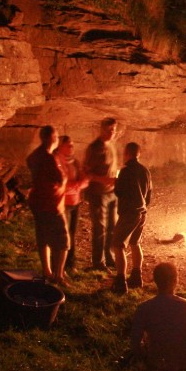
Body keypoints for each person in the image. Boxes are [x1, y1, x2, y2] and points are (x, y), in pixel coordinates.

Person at [130, 262, 186, 371]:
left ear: (155, 280)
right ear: (176, 280)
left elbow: (135, 343)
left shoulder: (143, 308)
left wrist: (145, 357)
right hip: (182, 364)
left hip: (155, 364)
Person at [26, 126, 71, 287]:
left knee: (43, 237)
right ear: (52, 138)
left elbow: (29, 162)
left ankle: (47, 271)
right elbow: (61, 178)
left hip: (37, 203)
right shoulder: (49, 158)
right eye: (56, 137)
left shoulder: (35, 155)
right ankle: (58, 276)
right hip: (52, 205)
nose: (57, 140)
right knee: (63, 241)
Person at [110, 142, 152, 294]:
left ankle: (120, 282)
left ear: (127, 153)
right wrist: (144, 207)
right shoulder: (145, 171)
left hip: (130, 213)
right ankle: (136, 277)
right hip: (142, 213)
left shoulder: (125, 171)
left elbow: (119, 192)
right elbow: (149, 194)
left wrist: (116, 181)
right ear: (138, 154)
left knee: (118, 244)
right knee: (135, 242)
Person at [83, 117, 119, 272]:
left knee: (112, 227)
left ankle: (109, 256)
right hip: (98, 194)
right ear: (101, 129)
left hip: (112, 193)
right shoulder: (94, 148)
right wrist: (103, 179)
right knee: (100, 228)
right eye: (109, 130)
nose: (112, 133)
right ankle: (98, 262)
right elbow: (86, 172)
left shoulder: (111, 145)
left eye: (114, 130)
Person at [55, 135, 89, 273]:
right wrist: (78, 185)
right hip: (63, 203)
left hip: (75, 202)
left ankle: (70, 263)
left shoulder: (74, 161)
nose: (72, 147)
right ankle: (58, 267)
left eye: (72, 144)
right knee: (63, 235)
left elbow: (85, 179)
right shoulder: (57, 161)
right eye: (68, 145)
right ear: (60, 146)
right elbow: (60, 185)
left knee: (72, 234)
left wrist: (77, 185)